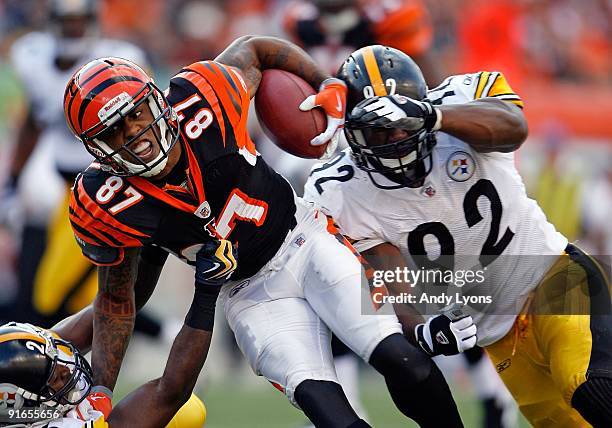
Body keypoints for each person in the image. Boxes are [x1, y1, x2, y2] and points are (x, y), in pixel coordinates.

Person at [62, 36, 477, 427]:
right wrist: (100, 389)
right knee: (333, 416)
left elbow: (255, 48)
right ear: (94, 146)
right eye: (113, 130)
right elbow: (118, 300)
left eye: (134, 113)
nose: (133, 133)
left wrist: (323, 80)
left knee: (406, 362)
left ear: (155, 100)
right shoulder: (105, 201)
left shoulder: (203, 98)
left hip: (305, 239)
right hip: (249, 294)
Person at [305, 45, 612, 427]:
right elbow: (392, 283)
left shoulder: (459, 102)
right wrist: (424, 330)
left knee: (588, 385)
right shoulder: (342, 188)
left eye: (402, 122)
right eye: (378, 130)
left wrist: (435, 118)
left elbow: (513, 126)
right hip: (497, 338)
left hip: (554, 279)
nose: (395, 138)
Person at [1, 0, 162, 335]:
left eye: (79, 21)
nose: (74, 29)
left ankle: (161, 334)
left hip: (110, 187)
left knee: (75, 294)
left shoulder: (117, 62)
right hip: (60, 186)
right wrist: (13, 180)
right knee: (53, 296)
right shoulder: (33, 59)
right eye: (67, 21)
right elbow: (33, 121)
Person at [0, 322, 206, 428]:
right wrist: (206, 293)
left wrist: (148, 252)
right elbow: (171, 393)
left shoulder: (19, 415)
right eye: (55, 378)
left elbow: (107, 310)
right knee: (191, 411)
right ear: (16, 404)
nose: (68, 370)